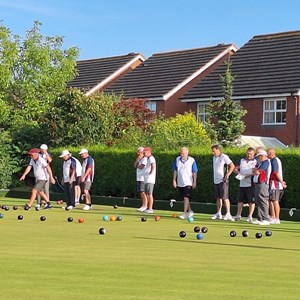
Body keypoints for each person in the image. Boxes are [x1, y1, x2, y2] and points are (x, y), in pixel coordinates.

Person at [172, 147, 198, 219]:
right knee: (184, 198)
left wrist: (194, 182)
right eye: (181, 153)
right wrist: (174, 180)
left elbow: (194, 172)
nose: (181, 154)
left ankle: (184, 213)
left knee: (186, 197)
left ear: (187, 153)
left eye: (183, 153)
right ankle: (190, 211)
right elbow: (175, 170)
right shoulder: (177, 159)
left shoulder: (192, 160)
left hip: (188, 182)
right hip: (180, 182)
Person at [211, 145, 235, 221]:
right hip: (216, 180)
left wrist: (227, 175)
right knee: (218, 197)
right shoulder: (214, 157)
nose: (213, 152)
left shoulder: (224, 156)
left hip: (223, 180)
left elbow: (232, 166)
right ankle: (219, 213)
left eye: (214, 151)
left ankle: (228, 213)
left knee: (225, 197)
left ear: (218, 150)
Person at [233, 147, 257, 222]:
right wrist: (239, 173)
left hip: (251, 184)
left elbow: (255, 172)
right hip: (242, 184)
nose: (249, 155)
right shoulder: (242, 160)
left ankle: (250, 216)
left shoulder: (256, 161)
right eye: (248, 153)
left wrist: (247, 175)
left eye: (250, 154)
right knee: (240, 200)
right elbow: (235, 169)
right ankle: (238, 215)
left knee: (251, 201)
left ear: (253, 154)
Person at [267, 148, 287, 224]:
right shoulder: (274, 160)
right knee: (271, 200)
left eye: (267, 153)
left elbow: (275, 172)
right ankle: (273, 216)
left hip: (275, 184)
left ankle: (277, 218)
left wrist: (281, 182)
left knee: (275, 201)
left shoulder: (274, 161)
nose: (266, 154)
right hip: (273, 183)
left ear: (270, 153)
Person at [252, 150, 271, 225]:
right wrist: (255, 170)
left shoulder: (266, 162)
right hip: (258, 184)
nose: (259, 158)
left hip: (263, 184)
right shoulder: (262, 163)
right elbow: (255, 170)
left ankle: (265, 218)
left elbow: (257, 172)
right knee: (258, 201)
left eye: (260, 156)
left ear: (263, 156)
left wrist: (255, 170)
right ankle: (260, 218)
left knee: (263, 201)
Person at [140, 147, 156, 213]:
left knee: (150, 194)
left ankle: (150, 208)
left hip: (150, 179)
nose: (143, 153)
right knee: (147, 194)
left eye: (144, 152)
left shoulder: (151, 158)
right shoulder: (147, 158)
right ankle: (147, 208)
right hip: (147, 179)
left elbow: (153, 165)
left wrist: (151, 171)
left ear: (148, 152)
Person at [36, 144, 52, 209]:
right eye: (41, 149)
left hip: (46, 174)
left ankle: (47, 203)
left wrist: (46, 153)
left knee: (46, 189)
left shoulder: (48, 154)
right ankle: (38, 203)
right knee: (38, 189)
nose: (42, 150)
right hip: (38, 173)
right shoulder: (38, 154)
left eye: (43, 149)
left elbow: (50, 160)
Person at [134, 147, 148, 212]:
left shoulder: (145, 159)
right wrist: (137, 160)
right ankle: (143, 205)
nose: (138, 153)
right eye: (138, 152)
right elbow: (134, 166)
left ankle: (145, 206)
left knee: (143, 192)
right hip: (139, 178)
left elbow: (142, 166)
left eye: (139, 152)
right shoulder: (139, 159)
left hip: (143, 178)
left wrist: (138, 165)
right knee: (140, 192)